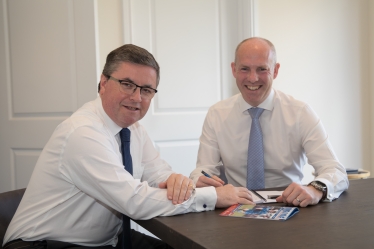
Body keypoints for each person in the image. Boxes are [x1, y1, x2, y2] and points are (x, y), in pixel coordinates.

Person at [3, 44, 254, 249]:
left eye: (146, 89)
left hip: (105, 241)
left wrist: (177, 181)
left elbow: (157, 173)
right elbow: (134, 200)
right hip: (44, 245)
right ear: (103, 83)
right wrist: (213, 196)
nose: (136, 97)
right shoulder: (82, 133)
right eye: (127, 84)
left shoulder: (133, 129)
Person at [190, 37, 349, 208]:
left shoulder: (300, 113)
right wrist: (200, 180)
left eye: (262, 69)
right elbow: (204, 170)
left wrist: (315, 189)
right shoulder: (216, 115)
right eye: (244, 69)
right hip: (235, 206)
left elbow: (335, 170)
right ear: (234, 69)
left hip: (290, 206)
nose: (252, 78)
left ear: (275, 70)